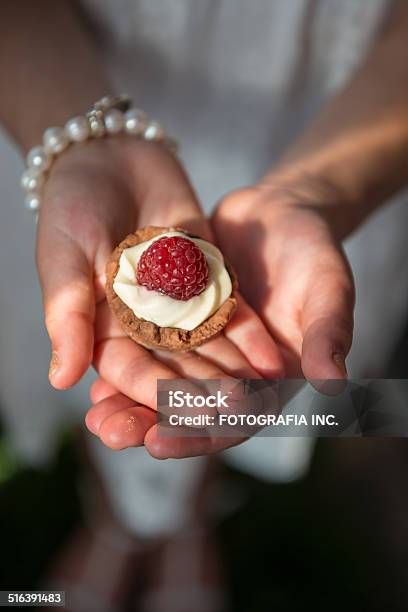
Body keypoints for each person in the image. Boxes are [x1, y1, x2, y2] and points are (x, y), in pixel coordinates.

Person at [1, 0, 408, 609]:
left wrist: (314, 191)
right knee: (103, 372)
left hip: (335, 127)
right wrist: (80, 142)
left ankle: (189, 517)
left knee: (240, 384)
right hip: (68, 85)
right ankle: (118, 520)